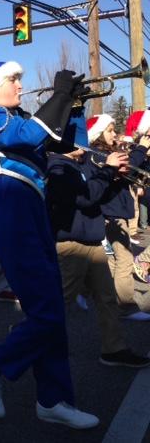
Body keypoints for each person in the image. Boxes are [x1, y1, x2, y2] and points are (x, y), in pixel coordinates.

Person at [0, 60, 99, 429]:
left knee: (52, 308)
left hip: (33, 211)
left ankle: (53, 399)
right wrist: (58, 94)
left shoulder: (19, 114)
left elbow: (66, 143)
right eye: (14, 79)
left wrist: (74, 106)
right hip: (11, 210)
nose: (20, 86)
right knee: (46, 313)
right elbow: (25, 136)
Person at [46, 120, 150, 368]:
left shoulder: (79, 163)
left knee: (106, 298)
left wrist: (114, 176)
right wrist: (108, 171)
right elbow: (86, 197)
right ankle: (24, 338)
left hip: (91, 241)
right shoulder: (58, 166)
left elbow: (97, 191)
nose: (83, 145)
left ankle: (114, 349)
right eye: (77, 139)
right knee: (59, 303)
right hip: (71, 245)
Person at [87, 114, 150, 319]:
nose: (115, 134)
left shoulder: (107, 152)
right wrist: (141, 148)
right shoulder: (98, 154)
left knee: (114, 260)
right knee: (124, 259)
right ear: (97, 134)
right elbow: (128, 165)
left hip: (115, 211)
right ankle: (125, 305)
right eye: (110, 130)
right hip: (111, 213)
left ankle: (111, 300)